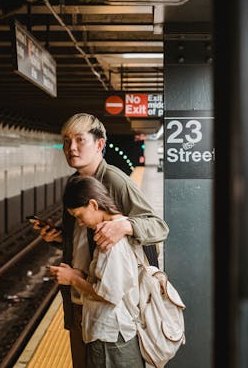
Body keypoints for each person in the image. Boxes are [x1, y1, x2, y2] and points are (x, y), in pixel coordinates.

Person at [33, 112, 168, 368]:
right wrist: (60, 238)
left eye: (80, 140)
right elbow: (87, 236)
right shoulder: (76, 183)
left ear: (99, 144)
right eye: (66, 141)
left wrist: (125, 226)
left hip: (106, 302)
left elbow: (158, 226)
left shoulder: (114, 180)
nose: (71, 148)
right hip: (80, 300)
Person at [49, 175, 145, 368]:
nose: (81, 223)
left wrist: (73, 280)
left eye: (79, 216)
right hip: (114, 334)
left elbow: (110, 294)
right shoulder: (116, 228)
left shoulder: (110, 240)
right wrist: (79, 275)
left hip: (110, 338)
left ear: (93, 204)